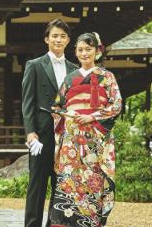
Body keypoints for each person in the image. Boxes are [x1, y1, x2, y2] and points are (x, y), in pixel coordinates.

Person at [49, 32, 122, 227]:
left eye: (88, 49)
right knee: (69, 181)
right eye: (80, 49)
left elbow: (116, 105)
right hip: (72, 138)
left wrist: (92, 116)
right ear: (76, 52)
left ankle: (91, 222)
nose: (84, 53)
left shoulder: (107, 77)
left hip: (95, 138)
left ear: (98, 51)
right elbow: (56, 107)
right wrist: (68, 115)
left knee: (93, 180)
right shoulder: (70, 78)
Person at [22, 19, 78, 227]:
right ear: (47, 39)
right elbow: (27, 102)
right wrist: (30, 133)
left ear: (68, 41)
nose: (58, 39)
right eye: (54, 35)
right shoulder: (34, 65)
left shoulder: (74, 70)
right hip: (42, 135)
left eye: (63, 36)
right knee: (37, 184)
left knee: (61, 184)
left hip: (66, 135)